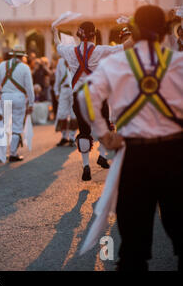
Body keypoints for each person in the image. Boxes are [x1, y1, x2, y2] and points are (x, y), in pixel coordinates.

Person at [76, 5, 183, 271]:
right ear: (164, 33)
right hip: (176, 155)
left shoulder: (116, 64)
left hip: (135, 157)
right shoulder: (179, 63)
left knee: (133, 249)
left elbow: (84, 96)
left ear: (132, 32)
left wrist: (104, 135)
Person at [52, 20, 133, 181]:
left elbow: (57, 45)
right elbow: (126, 46)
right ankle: (102, 155)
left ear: (79, 36)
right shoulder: (100, 50)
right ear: (94, 35)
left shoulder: (69, 51)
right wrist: (133, 27)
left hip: (78, 96)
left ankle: (85, 165)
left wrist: (53, 31)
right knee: (105, 125)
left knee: (83, 131)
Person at [0, 45, 35, 161]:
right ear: (23, 56)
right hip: (19, 98)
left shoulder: (2, 65)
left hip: (5, 97)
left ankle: (1, 154)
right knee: (17, 126)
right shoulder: (25, 67)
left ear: (12, 54)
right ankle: (13, 153)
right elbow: (29, 88)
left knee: (3, 125)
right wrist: (31, 103)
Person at [54, 57, 77, 146]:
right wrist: (56, 90)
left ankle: (72, 138)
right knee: (62, 113)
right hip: (64, 89)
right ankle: (64, 137)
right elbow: (58, 77)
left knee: (73, 113)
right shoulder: (60, 61)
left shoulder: (75, 58)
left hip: (74, 89)